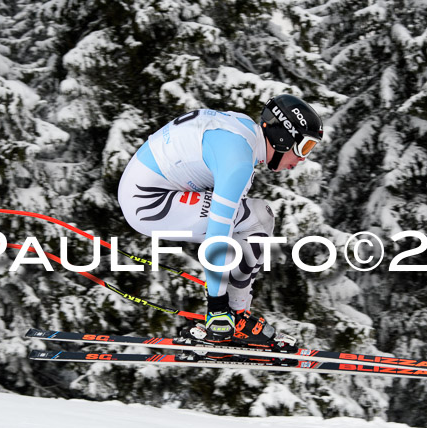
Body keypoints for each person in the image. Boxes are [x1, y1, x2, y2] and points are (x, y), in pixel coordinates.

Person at [118, 94, 323, 348]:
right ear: (284, 137)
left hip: (147, 187)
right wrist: (216, 306)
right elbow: (218, 233)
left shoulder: (244, 132)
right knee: (254, 221)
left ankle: (237, 316)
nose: (303, 158)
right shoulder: (239, 160)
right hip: (146, 199)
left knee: (257, 216)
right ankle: (228, 320)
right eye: (304, 147)